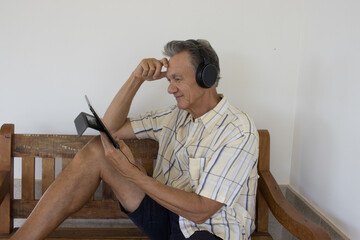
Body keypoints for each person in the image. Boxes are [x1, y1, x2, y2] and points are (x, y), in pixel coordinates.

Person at [11, 39, 259, 240]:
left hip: (208, 232)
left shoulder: (237, 130)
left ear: (207, 77)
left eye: (177, 79)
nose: (170, 89)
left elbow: (202, 211)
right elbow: (109, 129)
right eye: (169, 79)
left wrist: (133, 174)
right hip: (165, 218)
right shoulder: (174, 116)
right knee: (99, 150)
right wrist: (136, 78)